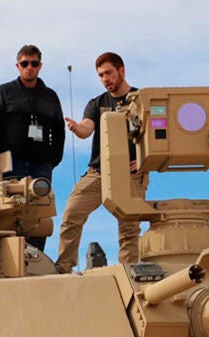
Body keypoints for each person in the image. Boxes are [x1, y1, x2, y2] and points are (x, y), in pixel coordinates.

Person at [55, 52, 149, 273]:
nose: (105, 79)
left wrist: (144, 162)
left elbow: (156, 136)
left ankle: (128, 275)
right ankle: (63, 269)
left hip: (132, 173)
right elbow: (87, 128)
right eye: (100, 75)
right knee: (71, 214)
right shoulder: (97, 103)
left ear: (121, 71)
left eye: (108, 73)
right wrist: (78, 128)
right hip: (99, 173)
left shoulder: (141, 100)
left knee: (129, 230)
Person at [0, 44, 65, 251]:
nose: (30, 67)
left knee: (39, 211)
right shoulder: (4, 92)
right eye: (25, 63)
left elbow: (59, 129)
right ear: (17, 66)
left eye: (34, 63)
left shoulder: (50, 96)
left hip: (41, 164)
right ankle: (5, 255)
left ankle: (35, 258)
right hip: (8, 161)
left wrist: (53, 158)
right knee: (7, 208)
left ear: (40, 66)